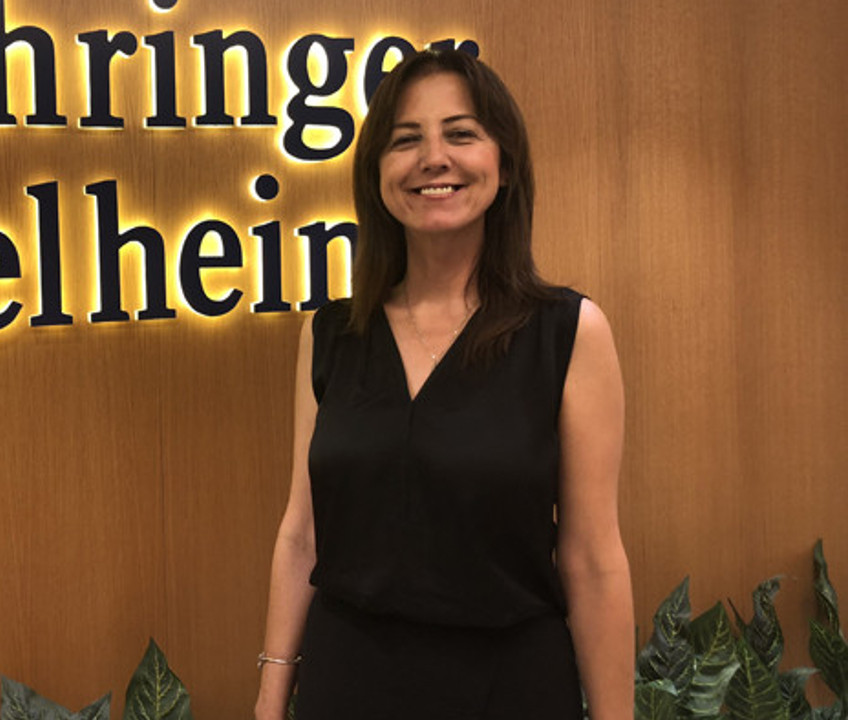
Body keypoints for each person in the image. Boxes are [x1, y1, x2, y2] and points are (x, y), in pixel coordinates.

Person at [254, 48, 633, 719]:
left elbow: (593, 559)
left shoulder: (567, 332)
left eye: (461, 133)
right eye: (406, 140)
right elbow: (302, 533)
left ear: (504, 163)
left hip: (509, 689)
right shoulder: (332, 332)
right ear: (377, 174)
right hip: (348, 687)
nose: (434, 159)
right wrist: (270, 692)